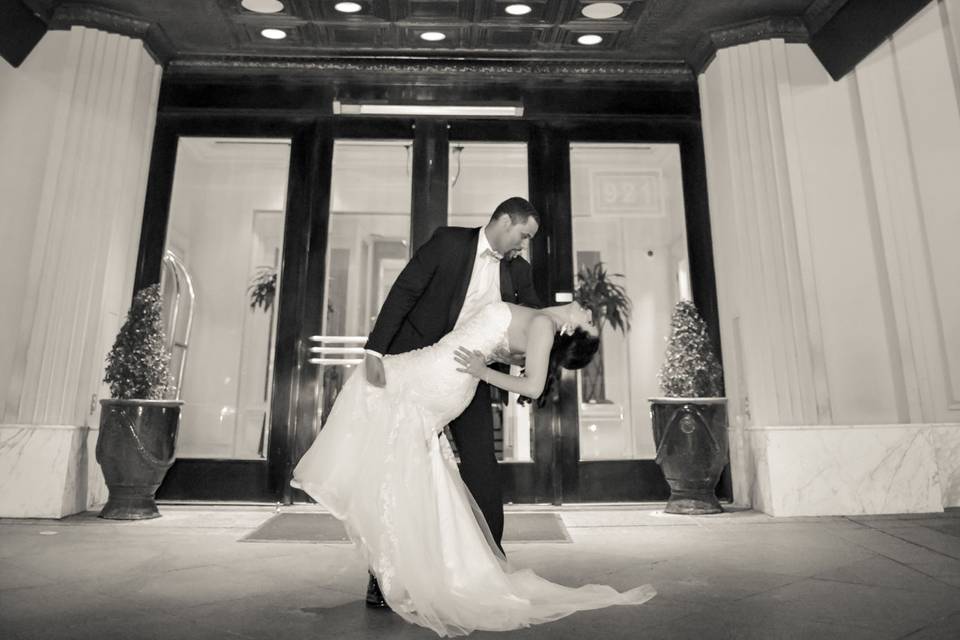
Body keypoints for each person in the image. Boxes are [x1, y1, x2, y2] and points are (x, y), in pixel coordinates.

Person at [291, 300, 656, 636]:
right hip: (441, 369)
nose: (588, 312)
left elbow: (531, 386)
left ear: (569, 330)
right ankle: (403, 566)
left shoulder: (544, 324)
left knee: (371, 387)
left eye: (587, 322)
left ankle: (382, 542)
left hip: (444, 376)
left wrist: (482, 371)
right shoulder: (545, 318)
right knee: (399, 456)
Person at [360, 197, 542, 607]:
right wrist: (375, 352)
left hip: (469, 380)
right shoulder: (448, 243)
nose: (524, 245)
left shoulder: (519, 271)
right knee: (402, 470)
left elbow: (534, 325)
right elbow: (405, 290)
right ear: (505, 220)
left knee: (481, 465)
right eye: (523, 234)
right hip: (418, 371)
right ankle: (383, 576)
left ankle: (490, 561)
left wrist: (530, 375)